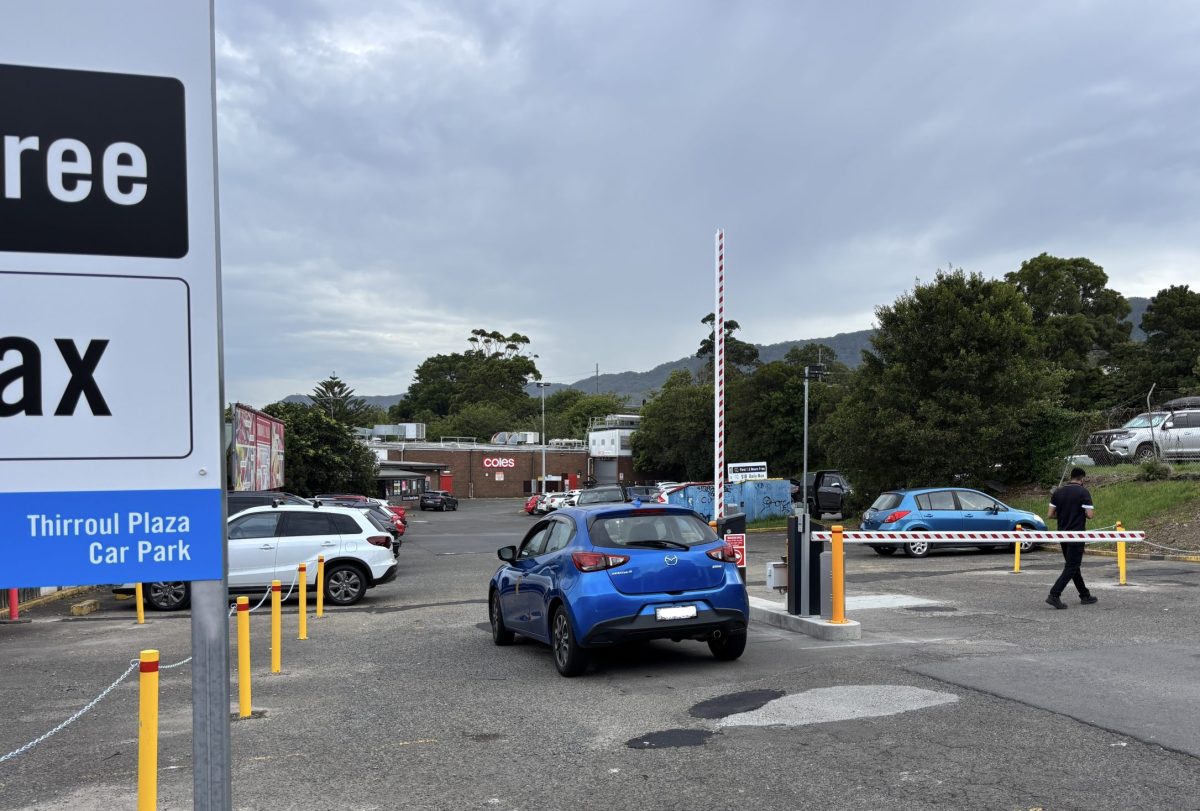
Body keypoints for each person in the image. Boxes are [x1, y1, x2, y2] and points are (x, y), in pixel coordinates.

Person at [1046, 467, 1097, 609]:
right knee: (1072, 566)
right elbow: (1090, 514)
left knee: (1073, 566)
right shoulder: (1083, 492)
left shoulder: (1058, 492)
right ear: (1082, 479)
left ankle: (1084, 595)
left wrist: (1062, 515)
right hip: (1077, 534)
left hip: (1062, 534)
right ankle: (1054, 595)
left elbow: (1050, 514)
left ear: (1071, 477)